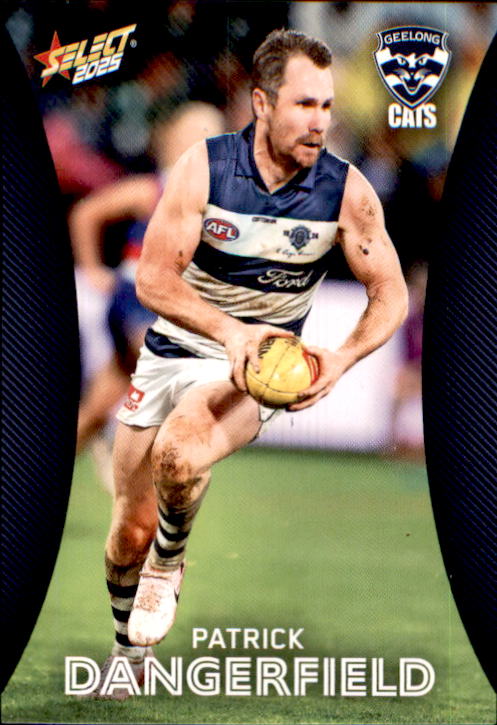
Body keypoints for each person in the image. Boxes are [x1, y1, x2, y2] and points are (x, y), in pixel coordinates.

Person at [95, 29, 408, 699]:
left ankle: (170, 560)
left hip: (260, 365)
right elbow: (153, 280)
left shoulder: (345, 191)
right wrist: (229, 332)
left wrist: (341, 357)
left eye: (326, 105)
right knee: (127, 533)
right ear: (262, 104)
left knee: (181, 452)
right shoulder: (205, 169)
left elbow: (391, 293)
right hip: (175, 347)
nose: (319, 121)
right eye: (303, 104)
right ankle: (128, 651)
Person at [70, 103, 226, 470]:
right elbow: (86, 214)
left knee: (99, 404)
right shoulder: (155, 189)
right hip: (135, 301)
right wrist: (92, 269)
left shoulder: (215, 201)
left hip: (162, 309)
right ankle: (134, 459)